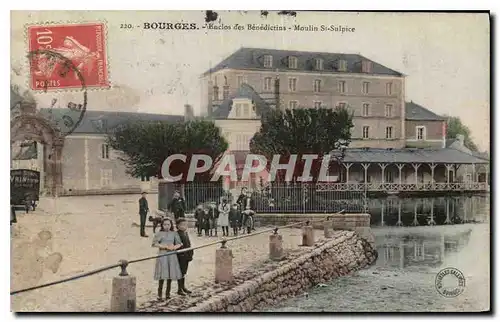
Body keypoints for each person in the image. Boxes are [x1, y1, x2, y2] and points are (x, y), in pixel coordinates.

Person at [152, 218, 184, 300]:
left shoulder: (174, 233)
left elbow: (180, 243)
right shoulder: (159, 233)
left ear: (171, 225)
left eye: (168, 224)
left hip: (171, 255)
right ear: (162, 225)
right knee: (162, 274)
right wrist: (164, 246)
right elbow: (154, 243)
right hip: (162, 255)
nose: (167, 226)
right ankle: (159, 293)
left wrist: (174, 247)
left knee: (170, 274)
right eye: (165, 224)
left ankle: (167, 293)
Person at [176, 218, 193, 294]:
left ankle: (183, 287)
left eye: (185, 225)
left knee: (184, 272)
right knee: (180, 272)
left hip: (186, 256)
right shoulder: (176, 234)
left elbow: (189, 244)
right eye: (181, 225)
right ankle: (179, 289)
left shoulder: (185, 233)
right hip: (180, 256)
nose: (183, 226)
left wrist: (190, 254)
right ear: (177, 226)